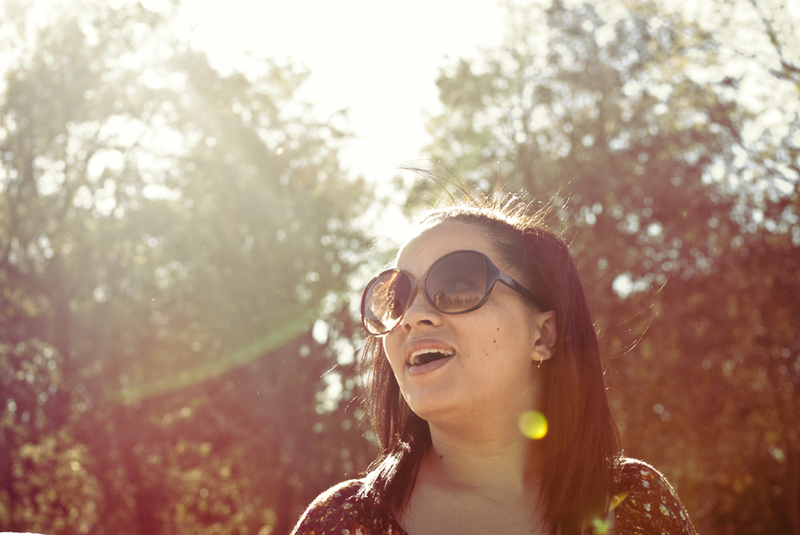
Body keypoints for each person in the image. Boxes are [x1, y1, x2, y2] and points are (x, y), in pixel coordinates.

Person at [291, 189, 698, 535]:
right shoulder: (342, 522)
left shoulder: (638, 504)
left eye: (456, 286)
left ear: (544, 336)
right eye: (397, 299)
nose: (411, 316)